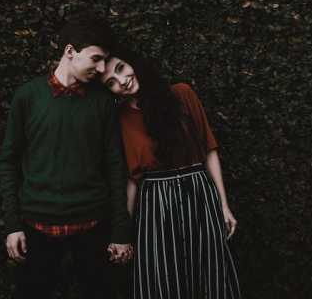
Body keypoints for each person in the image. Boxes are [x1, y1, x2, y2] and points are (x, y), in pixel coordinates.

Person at [0, 11, 133, 299]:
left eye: (105, 61)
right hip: (36, 227)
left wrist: (121, 231)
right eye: (96, 59)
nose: (101, 68)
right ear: (70, 51)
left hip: (93, 226)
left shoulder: (102, 102)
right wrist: (12, 225)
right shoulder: (28, 96)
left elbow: (115, 166)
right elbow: (8, 161)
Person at [100, 48, 242, 299]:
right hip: (156, 204)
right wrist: (123, 231)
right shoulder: (122, 118)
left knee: (210, 271)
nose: (121, 81)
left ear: (134, 63)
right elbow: (133, 178)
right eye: (111, 82)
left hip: (198, 194)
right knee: (163, 277)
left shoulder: (182, 94)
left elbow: (209, 150)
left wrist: (223, 205)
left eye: (121, 69)